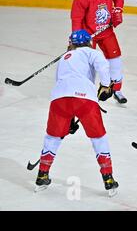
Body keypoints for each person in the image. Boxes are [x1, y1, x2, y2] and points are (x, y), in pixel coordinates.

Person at [34, 30, 119, 196]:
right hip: (84, 99)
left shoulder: (64, 58)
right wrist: (106, 85)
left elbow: (63, 83)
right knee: (98, 138)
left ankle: (42, 174)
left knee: (52, 137)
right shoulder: (91, 51)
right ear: (88, 43)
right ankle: (108, 179)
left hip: (59, 100)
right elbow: (103, 65)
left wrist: (69, 118)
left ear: (71, 43)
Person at [71, 0, 127, 104]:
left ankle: (116, 89)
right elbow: (76, 17)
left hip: (107, 31)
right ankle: (87, 90)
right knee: (89, 65)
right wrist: (77, 36)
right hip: (89, 35)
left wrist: (118, 10)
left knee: (115, 59)